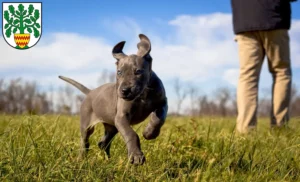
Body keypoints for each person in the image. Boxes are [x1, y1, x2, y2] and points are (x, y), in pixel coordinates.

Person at [231, 0, 297, 133]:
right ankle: (280, 128)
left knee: (247, 76)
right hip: (274, 16)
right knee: (281, 71)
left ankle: (245, 130)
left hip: (245, 18)